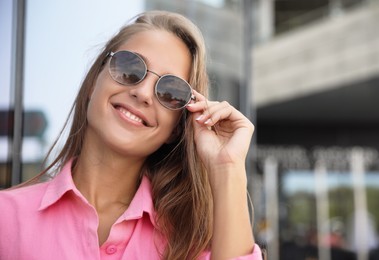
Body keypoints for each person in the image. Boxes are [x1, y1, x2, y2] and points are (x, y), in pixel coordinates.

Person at [0, 10, 261, 260]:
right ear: (93, 82)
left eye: (170, 91)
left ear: (177, 128)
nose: (143, 93)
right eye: (130, 67)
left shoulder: (191, 245)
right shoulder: (6, 218)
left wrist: (228, 167)